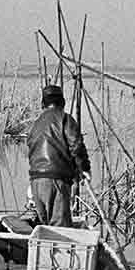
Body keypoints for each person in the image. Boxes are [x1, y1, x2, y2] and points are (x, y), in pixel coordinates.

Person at [26, 83, 91, 227]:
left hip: (36, 182)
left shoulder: (36, 124)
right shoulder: (65, 119)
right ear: (63, 102)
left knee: (45, 227)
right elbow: (76, 146)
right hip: (56, 180)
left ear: (43, 104)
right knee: (59, 228)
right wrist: (84, 168)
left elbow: (31, 150)